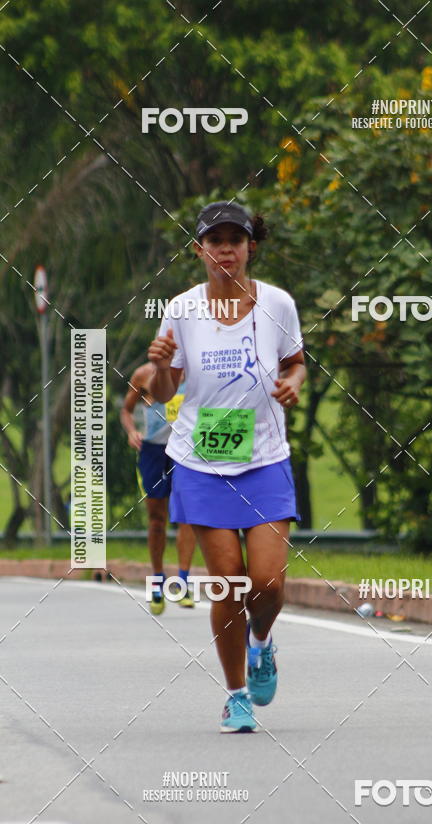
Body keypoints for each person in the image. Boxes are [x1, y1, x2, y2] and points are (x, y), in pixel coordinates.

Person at [148, 200, 306, 733]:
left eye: (234, 241)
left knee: (267, 583)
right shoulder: (182, 309)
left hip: (264, 458)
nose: (225, 251)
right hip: (201, 459)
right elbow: (165, 389)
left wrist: (293, 385)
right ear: (199, 251)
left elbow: (295, 362)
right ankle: (236, 694)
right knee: (228, 584)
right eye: (214, 242)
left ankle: (262, 642)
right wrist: (156, 366)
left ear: (249, 248)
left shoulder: (278, 304)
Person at [120, 362, 196, 614]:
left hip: (185, 450)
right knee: (156, 519)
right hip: (153, 451)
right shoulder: (143, 373)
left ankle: (183, 582)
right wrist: (131, 432)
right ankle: (157, 580)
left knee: (186, 515)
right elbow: (126, 411)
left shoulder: (194, 368)